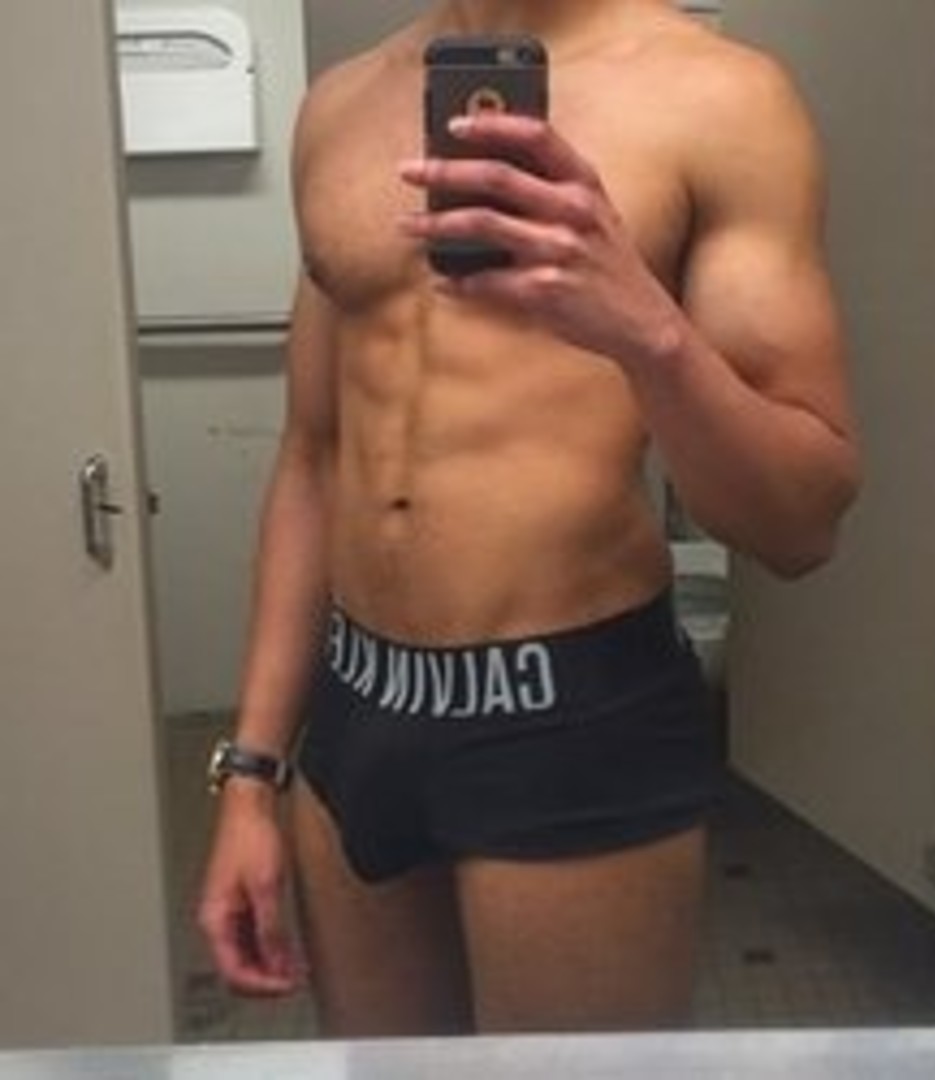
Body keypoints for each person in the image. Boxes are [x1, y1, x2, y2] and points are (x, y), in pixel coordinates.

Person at [197, 0, 861, 1037]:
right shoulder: (338, 106)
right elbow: (313, 457)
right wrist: (250, 775)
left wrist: (647, 332)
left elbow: (801, 522)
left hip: (571, 711)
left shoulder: (721, 100)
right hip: (357, 707)